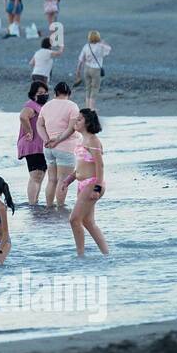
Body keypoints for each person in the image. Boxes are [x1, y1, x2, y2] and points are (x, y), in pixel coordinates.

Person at [68, 109, 110, 257]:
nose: (76, 122)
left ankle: (80, 255)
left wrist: (97, 188)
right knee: (88, 222)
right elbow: (80, 166)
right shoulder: (81, 140)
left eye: (79, 120)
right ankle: (107, 254)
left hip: (93, 184)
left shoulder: (93, 141)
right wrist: (68, 180)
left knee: (74, 219)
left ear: (88, 123)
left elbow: (100, 166)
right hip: (82, 184)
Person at [37, 81, 81, 207]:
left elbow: (39, 125)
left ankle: (49, 207)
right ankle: (61, 208)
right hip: (66, 148)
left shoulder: (46, 106)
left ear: (55, 92)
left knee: (51, 180)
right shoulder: (72, 106)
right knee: (63, 181)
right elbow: (71, 128)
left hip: (48, 148)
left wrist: (46, 139)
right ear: (69, 93)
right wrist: (58, 140)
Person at [18, 81, 49, 204]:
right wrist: (29, 131)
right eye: (40, 93)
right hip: (31, 145)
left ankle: (35, 202)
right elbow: (22, 116)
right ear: (33, 94)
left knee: (40, 176)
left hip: (40, 146)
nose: (44, 95)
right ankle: (32, 204)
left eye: (45, 92)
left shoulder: (41, 107)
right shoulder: (31, 105)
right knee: (35, 175)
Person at [75, 30, 112, 110]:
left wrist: (78, 70)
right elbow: (109, 49)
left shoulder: (86, 46)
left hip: (86, 68)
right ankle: (92, 108)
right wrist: (103, 43)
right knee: (94, 88)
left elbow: (81, 59)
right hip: (96, 69)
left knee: (88, 88)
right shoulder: (100, 46)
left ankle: (87, 106)